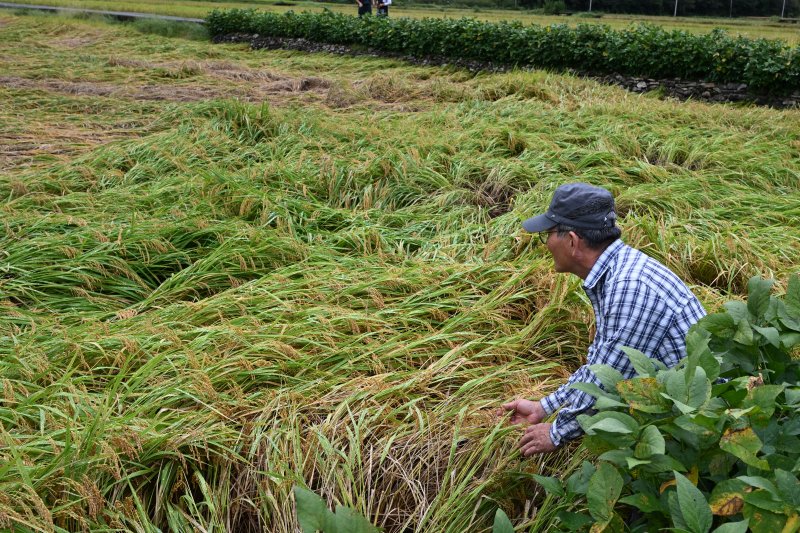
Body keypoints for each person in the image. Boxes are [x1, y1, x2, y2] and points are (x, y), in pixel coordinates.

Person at [501, 182, 706, 456]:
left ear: (572, 241)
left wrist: (556, 432)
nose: (546, 243)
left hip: (703, 421)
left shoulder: (629, 287)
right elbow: (600, 365)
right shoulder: (616, 272)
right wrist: (543, 407)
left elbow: (611, 382)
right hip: (683, 404)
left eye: (548, 234)